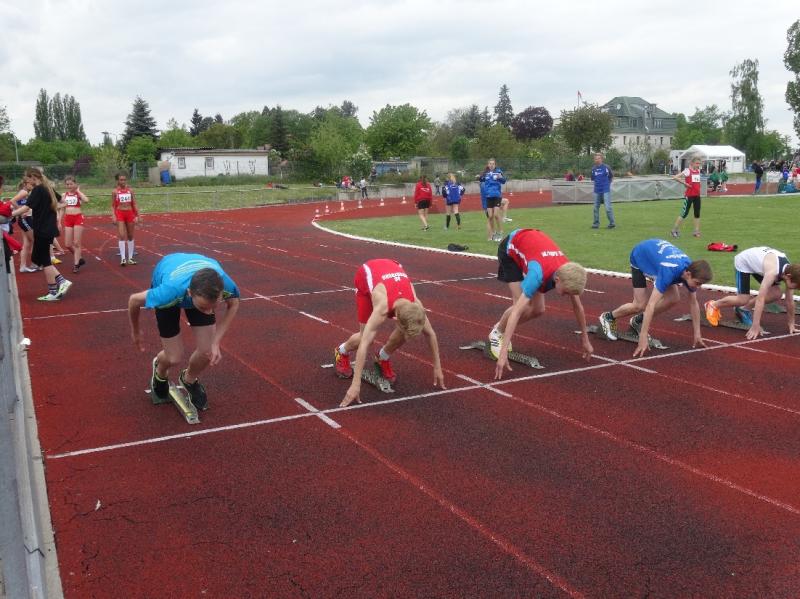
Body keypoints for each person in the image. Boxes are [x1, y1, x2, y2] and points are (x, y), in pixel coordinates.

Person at [127, 253, 240, 410]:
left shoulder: (224, 283)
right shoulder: (168, 292)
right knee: (174, 357)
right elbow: (133, 300)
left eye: (215, 306)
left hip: (198, 281)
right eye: (203, 307)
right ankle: (160, 370)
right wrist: (136, 330)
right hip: (170, 278)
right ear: (189, 293)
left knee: (208, 350)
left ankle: (189, 379)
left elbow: (234, 304)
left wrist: (216, 342)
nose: (209, 312)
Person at [333, 259, 445, 407]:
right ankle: (341, 351)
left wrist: (437, 366)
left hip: (391, 270)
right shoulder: (382, 307)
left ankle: (382, 357)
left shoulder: (415, 305)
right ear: (395, 318)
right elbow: (364, 344)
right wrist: (355, 384)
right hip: (366, 275)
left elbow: (430, 333)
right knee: (365, 337)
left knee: (407, 330)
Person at [490, 229, 593, 380]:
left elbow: (578, 307)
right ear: (557, 280)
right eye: (566, 292)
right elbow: (516, 312)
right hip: (510, 249)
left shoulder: (569, 272)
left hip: (534, 251)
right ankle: (497, 333)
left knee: (538, 309)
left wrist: (585, 338)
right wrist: (503, 352)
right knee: (523, 306)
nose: (566, 295)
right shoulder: (537, 275)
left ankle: (502, 330)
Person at [598, 239, 713, 357]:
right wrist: (643, 337)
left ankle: (638, 321)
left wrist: (697, 334)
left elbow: (693, 303)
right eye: (697, 283)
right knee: (640, 305)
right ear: (688, 274)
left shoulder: (690, 271)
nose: (698, 287)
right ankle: (608, 317)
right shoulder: (669, 271)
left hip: (658, 257)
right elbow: (651, 305)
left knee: (673, 298)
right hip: (641, 256)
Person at [704, 247, 799, 339]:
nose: (795, 288)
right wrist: (755, 325)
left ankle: (743, 310)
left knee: (776, 294)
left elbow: (789, 300)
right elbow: (760, 299)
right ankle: (713, 305)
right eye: (795, 286)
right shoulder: (772, 273)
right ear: (788, 276)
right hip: (744, 262)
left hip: (760, 265)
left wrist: (791, 323)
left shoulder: (791, 273)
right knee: (742, 299)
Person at [10, 169, 72, 301]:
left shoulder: (38, 189)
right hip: (46, 228)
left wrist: (10, 215)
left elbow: (26, 207)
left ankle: (54, 290)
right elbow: (63, 202)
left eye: (27, 178)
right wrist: (48, 209)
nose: (26, 181)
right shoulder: (47, 188)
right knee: (38, 258)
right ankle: (60, 283)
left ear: (33, 177)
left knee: (44, 260)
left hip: (43, 229)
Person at [61, 175, 89, 273]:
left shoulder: (78, 194)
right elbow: (62, 209)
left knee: (76, 243)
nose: (69, 186)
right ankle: (79, 258)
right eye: (67, 184)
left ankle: (76, 264)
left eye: (71, 184)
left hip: (77, 218)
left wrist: (78, 191)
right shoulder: (64, 195)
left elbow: (86, 200)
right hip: (68, 219)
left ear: (75, 184)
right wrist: (59, 221)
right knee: (68, 244)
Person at [671, 155, 703, 238]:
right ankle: (674, 230)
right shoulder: (687, 171)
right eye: (697, 163)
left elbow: (697, 182)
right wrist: (685, 183)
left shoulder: (698, 171)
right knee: (684, 213)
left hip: (697, 195)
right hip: (689, 196)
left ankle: (696, 231)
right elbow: (675, 177)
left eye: (699, 163)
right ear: (692, 163)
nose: (698, 165)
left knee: (697, 213)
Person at [112, 173, 139, 266]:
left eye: (124, 179)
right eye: (121, 180)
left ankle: (130, 258)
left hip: (130, 213)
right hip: (120, 214)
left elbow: (134, 203)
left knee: (130, 236)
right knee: (122, 235)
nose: (123, 181)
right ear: (118, 181)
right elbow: (113, 205)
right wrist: (113, 215)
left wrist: (137, 215)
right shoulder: (115, 192)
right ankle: (123, 258)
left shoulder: (130, 190)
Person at [10, 179, 36, 272]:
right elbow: (12, 201)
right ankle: (35, 263)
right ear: (26, 184)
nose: (33, 185)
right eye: (31, 183)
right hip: (25, 219)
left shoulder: (26, 192)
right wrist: (20, 211)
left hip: (26, 219)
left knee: (27, 243)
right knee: (35, 241)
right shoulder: (24, 192)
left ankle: (23, 266)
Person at [479, 158, 506, 241]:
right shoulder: (486, 173)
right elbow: (481, 179)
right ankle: (493, 233)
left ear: (495, 165)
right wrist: (479, 177)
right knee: (490, 216)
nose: (491, 165)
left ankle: (500, 232)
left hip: (497, 196)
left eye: (493, 164)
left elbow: (504, 181)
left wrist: (500, 177)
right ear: (488, 165)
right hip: (488, 197)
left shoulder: (498, 172)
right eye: (490, 164)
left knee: (496, 215)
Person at [590, 152, 616, 229]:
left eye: (598, 158)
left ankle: (612, 224)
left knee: (608, 208)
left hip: (605, 190)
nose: (597, 160)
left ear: (602, 159)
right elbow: (593, 179)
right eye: (596, 159)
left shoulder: (606, 167)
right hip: (597, 191)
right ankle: (596, 224)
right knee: (595, 208)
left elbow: (611, 177)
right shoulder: (593, 169)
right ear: (594, 160)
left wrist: (607, 185)